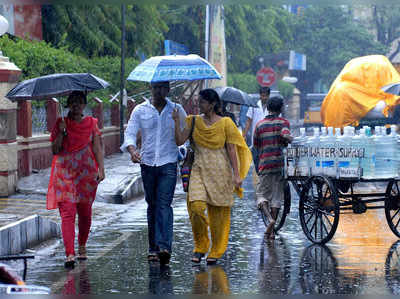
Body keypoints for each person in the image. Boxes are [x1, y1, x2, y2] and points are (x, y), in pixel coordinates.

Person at [173, 89, 252, 265]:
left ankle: (216, 250)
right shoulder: (193, 121)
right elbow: (179, 141)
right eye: (198, 102)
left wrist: (237, 175)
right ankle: (201, 246)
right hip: (199, 170)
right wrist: (176, 121)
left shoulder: (226, 123)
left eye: (202, 102)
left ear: (212, 104)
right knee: (196, 207)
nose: (199, 105)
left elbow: (232, 150)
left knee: (218, 216)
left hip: (221, 173)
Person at [121, 81, 187, 266]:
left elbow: (185, 135)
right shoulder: (140, 110)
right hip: (147, 163)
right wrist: (133, 151)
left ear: (168, 90)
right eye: (156, 87)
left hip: (168, 163)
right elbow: (130, 133)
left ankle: (165, 247)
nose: (159, 91)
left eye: (163, 88)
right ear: (151, 89)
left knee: (164, 204)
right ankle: (153, 247)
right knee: (152, 205)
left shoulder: (177, 110)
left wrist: (182, 150)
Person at [47, 91, 105, 268]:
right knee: (67, 213)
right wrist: (62, 133)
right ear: (68, 105)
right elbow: (55, 150)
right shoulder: (61, 123)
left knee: (85, 213)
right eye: (73, 102)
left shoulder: (91, 123)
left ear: (84, 105)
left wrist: (101, 169)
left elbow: (97, 148)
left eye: (80, 102)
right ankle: (69, 253)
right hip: (64, 175)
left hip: (86, 176)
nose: (76, 105)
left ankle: (82, 246)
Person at [253, 96, 293, 240]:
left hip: (265, 164)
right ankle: (271, 231)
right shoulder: (284, 123)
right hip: (280, 165)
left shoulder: (259, 125)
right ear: (281, 108)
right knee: (276, 197)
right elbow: (287, 137)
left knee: (261, 195)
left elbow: (256, 147)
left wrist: (258, 166)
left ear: (268, 108)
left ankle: (270, 220)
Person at [242, 86, 271, 173]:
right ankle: (260, 175)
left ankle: (264, 178)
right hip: (256, 139)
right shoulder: (254, 106)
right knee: (256, 160)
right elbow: (248, 121)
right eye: (262, 95)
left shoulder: (272, 106)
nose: (264, 98)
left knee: (267, 161)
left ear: (269, 95)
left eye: (265, 96)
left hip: (268, 138)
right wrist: (244, 135)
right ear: (260, 95)